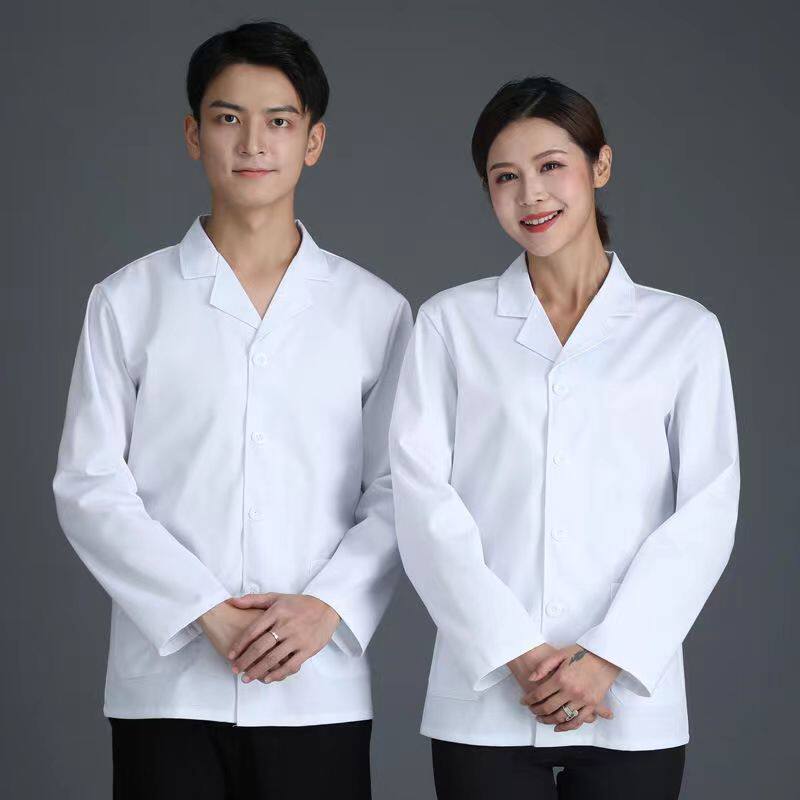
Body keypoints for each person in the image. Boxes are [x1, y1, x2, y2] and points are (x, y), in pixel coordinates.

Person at [52, 20, 412, 800]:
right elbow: (89, 485)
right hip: (167, 688)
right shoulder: (127, 301)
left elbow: (398, 490)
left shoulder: (375, 311)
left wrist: (327, 607)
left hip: (317, 688)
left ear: (313, 141)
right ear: (193, 134)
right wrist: (202, 610)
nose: (253, 143)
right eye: (228, 118)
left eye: (279, 121)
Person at [388, 75, 740, 799]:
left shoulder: (683, 331)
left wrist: (608, 657)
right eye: (505, 177)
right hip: (488, 692)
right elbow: (421, 500)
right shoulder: (450, 323)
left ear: (599, 166)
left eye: (551, 166)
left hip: (629, 696)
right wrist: (514, 651)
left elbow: (706, 511)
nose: (531, 195)